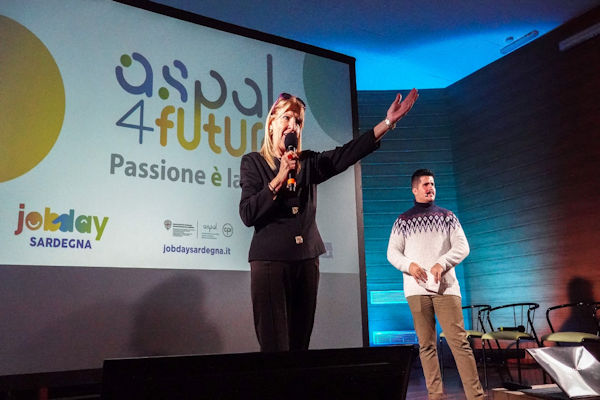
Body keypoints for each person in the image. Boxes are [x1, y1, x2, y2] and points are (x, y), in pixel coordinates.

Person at [239, 89, 419, 352]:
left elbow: (346, 154)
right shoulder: (253, 163)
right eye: (287, 118)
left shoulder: (308, 162)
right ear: (271, 124)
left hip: (306, 260)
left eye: (298, 121)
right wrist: (279, 177)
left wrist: (388, 123)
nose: (293, 126)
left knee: (300, 345)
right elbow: (248, 213)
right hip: (269, 262)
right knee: (275, 347)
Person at [387, 168, 484, 400]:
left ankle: (476, 397)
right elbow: (392, 253)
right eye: (425, 184)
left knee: (459, 342)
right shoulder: (402, 221)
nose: (430, 188)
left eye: (432, 184)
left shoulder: (448, 216)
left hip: (446, 289)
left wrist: (443, 262)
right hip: (416, 290)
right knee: (426, 345)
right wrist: (409, 265)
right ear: (414, 189)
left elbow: (462, 247)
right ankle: (435, 396)